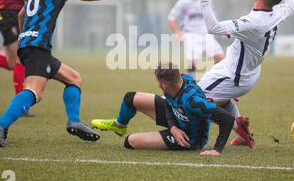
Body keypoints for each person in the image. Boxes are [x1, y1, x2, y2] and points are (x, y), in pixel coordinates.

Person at [0, 0, 130, 147]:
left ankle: (74, 122)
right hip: (38, 46)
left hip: (30, 44)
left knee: (74, 78)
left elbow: (21, 15)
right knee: (35, 92)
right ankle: (0, 124)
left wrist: (24, 39)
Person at [195, 0, 294, 146]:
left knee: (194, 102)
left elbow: (213, 28)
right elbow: (290, 5)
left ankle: (231, 124)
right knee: (216, 98)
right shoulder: (276, 12)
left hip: (233, 75)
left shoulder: (254, 22)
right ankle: (241, 130)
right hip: (244, 71)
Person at [91, 63, 235, 156]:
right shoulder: (177, 81)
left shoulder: (193, 102)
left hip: (189, 138)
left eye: (159, 82)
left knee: (130, 141)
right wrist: (173, 127)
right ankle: (119, 125)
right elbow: (169, 103)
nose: (157, 84)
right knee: (131, 98)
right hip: (176, 118)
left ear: (164, 86)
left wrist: (217, 150)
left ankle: (185, 138)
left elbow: (227, 119)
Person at [168, 0, 224, 78]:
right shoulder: (183, 2)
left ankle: (215, 81)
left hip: (206, 34)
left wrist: (218, 30)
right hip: (190, 35)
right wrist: (178, 33)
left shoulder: (207, 0)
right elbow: (171, 19)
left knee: (221, 59)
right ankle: (189, 86)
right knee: (192, 63)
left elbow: (211, 17)